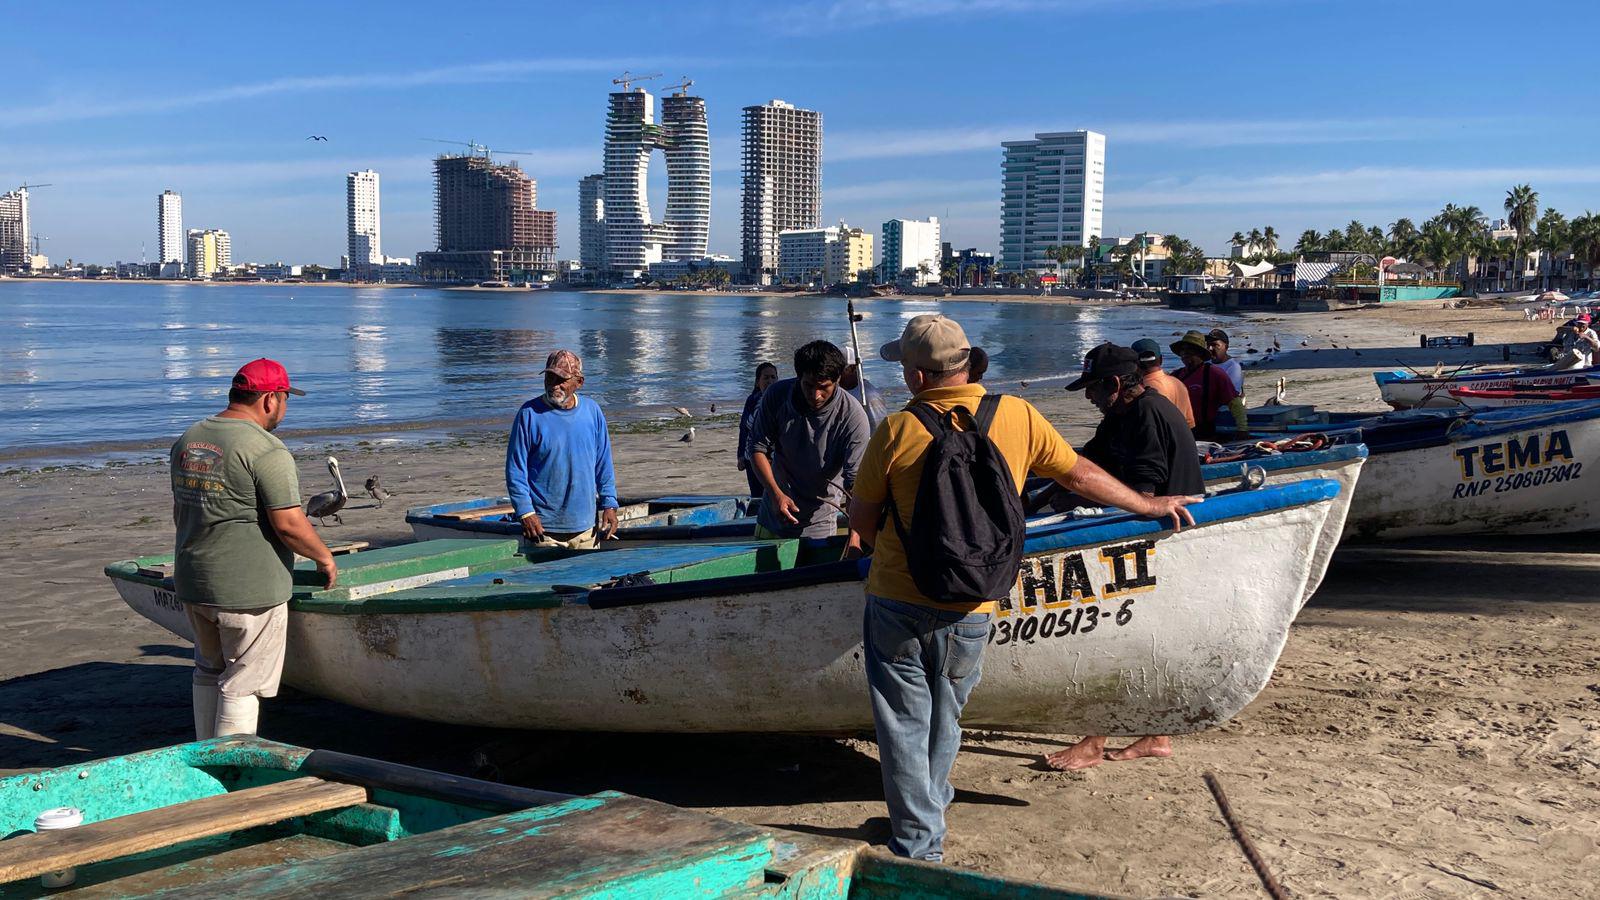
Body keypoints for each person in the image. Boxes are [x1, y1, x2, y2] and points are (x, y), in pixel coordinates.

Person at [845, 314, 1197, 862]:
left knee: (904, 724)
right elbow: (1078, 474)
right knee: (946, 716)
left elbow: (863, 521)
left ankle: (919, 838)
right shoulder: (1017, 415)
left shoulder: (896, 429)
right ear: (968, 364)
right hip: (977, 599)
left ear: (916, 377)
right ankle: (925, 814)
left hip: (900, 596)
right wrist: (1151, 504)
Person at [1044, 343, 1204, 771]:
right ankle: (1156, 735)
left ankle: (1095, 741)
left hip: (1157, 542)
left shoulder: (1147, 414)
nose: (1088, 397)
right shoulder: (1121, 415)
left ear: (1115, 384)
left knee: (1109, 638)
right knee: (1146, 640)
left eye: (1093, 389)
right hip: (1156, 542)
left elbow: (1144, 492)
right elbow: (1082, 461)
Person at [172, 358, 336, 740]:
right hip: (247, 589)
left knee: (209, 670)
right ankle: (228, 768)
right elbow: (289, 524)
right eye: (285, 399)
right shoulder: (267, 450)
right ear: (268, 400)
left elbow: (181, 509)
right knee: (243, 682)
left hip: (194, 580)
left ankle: (204, 756)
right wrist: (323, 556)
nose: (285, 408)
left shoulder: (190, 438)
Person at [749, 341, 872, 542]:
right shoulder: (777, 395)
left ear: (838, 380)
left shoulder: (853, 417)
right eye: (808, 385)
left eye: (824, 387)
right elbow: (757, 448)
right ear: (799, 377)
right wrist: (775, 494)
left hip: (819, 526)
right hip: (771, 515)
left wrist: (855, 539)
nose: (816, 395)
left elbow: (855, 486)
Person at [506, 349, 620, 549]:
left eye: (562, 379)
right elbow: (516, 469)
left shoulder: (592, 412)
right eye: (550, 377)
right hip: (543, 529)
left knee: (589, 581)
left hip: (586, 528)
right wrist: (525, 512)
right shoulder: (529, 414)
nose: (554, 384)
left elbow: (603, 464)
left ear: (579, 382)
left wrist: (609, 504)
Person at [1171, 330, 1240, 440]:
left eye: (1189, 350)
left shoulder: (1214, 374)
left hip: (1205, 432)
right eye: (1182, 350)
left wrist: (1242, 429)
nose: (1184, 354)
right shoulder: (1176, 375)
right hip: (1179, 430)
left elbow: (1234, 402)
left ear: (1200, 353)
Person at [1131, 338, 1194, 429]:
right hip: (1182, 439)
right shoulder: (1178, 383)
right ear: (1161, 359)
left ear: (1135, 363)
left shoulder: (1141, 389)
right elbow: (1190, 423)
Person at [737, 362, 779, 497]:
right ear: (757, 382)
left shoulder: (782, 401)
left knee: (773, 493)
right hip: (751, 457)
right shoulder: (752, 400)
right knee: (756, 495)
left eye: (773, 377)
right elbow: (744, 428)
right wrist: (740, 455)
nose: (770, 381)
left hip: (774, 458)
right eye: (766, 378)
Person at [1206, 328, 1251, 433]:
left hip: (1225, 414)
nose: (1210, 348)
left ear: (1226, 347)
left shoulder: (1233, 367)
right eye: (1208, 345)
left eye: (1215, 345)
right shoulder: (1206, 364)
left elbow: (1231, 395)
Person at [840, 346, 890, 431]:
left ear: (852, 369)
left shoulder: (870, 397)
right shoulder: (839, 390)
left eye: (839, 370)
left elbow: (879, 430)